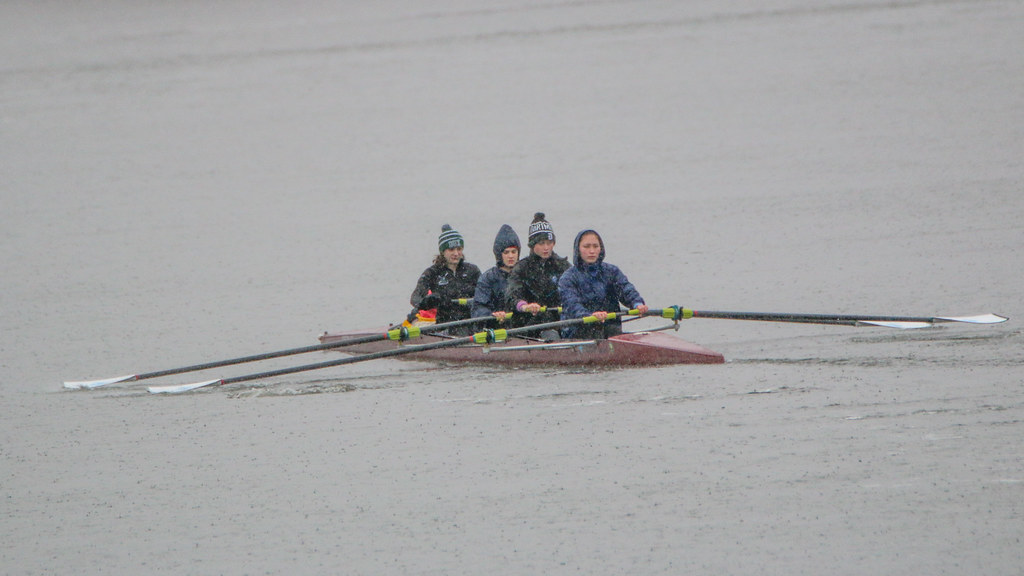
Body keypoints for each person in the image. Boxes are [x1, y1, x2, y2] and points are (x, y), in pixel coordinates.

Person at [558, 229, 649, 339]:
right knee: (594, 331)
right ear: (578, 249)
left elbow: (625, 289)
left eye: (595, 246)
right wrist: (589, 316)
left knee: (609, 330)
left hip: (610, 329)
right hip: (579, 333)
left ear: (601, 248)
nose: (592, 251)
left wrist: (637, 303)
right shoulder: (568, 278)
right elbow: (572, 305)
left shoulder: (611, 271)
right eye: (586, 246)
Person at [505, 212, 570, 340]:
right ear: (532, 245)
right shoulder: (521, 268)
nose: (546, 248)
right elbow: (512, 295)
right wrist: (524, 306)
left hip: (559, 320)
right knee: (544, 320)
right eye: (541, 243)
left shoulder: (563, 265)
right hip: (530, 322)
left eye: (549, 242)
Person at [409, 224, 481, 334]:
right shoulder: (432, 273)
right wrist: (427, 301)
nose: (456, 253)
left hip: (471, 321)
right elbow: (415, 298)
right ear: (443, 251)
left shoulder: (472, 270)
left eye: (459, 249)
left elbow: (485, 294)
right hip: (444, 324)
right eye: (451, 249)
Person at [471, 224, 520, 321]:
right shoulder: (488, 278)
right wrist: (492, 315)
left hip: (520, 326)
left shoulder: (524, 274)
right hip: (496, 326)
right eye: (506, 252)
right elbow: (478, 309)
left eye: (514, 252)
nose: (511, 256)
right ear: (499, 254)